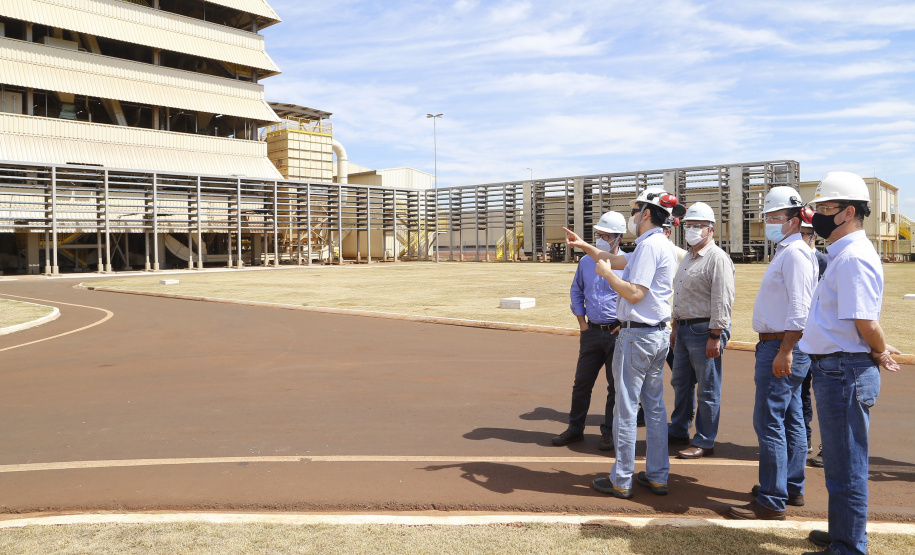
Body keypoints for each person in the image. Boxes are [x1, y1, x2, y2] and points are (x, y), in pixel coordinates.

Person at [799, 172, 900, 555]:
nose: (818, 216)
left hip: (845, 368)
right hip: (837, 367)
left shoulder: (854, 258)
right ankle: (844, 532)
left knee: (847, 465)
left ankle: (850, 545)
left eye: (825, 208)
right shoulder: (844, 255)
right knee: (840, 462)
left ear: (849, 212)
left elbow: (865, 322)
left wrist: (879, 350)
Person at [563, 187, 678, 499]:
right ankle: (656, 475)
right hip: (656, 335)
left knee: (626, 410)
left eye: (635, 210)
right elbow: (613, 259)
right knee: (654, 409)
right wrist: (584, 245)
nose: (632, 215)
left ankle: (621, 479)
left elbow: (634, 292)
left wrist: (606, 275)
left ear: (645, 214)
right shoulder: (656, 244)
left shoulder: (650, 247)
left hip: (637, 336)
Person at [727, 187, 818, 520]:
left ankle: (771, 498)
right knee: (791, 418)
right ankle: (789, 487)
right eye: (767, 217)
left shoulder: (793, 254)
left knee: (769, 420)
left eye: (775, 217)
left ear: (794, 220)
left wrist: (785, 350)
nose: (768, 222)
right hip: (784, 343)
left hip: (781, 345)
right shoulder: (792, 251)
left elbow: (800, 307)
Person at [551, 211, 626, 451]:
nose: (602, 238)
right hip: (592, 331)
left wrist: (624, 323)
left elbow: (636, 295)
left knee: (614, 386)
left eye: (607, 235)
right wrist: (582, 323)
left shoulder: (628, 262)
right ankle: (575, 428)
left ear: (619, 238)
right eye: (599, 234)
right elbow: (577, 291)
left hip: (618, 332)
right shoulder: (585, 262)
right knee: (582, 383)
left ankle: (608, 432)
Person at [668, 202, 736, 458]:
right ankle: (678, 429)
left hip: (704, 330)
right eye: (689, 225)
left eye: (698, 226)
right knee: (680, 383)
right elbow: (680, 295)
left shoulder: (717, 258)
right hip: (684, 329)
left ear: (711, 229)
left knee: (707, 388)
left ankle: (705, 440)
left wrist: (716, 335)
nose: (693, 230)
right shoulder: (688, 256)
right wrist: (675, 326)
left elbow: (723, 299)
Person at [800, 218, 828, 466]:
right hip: (801, 336)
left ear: (815, 236)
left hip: (818, 337)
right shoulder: (794, 256)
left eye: (807, 233)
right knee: (801, 391)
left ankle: (827, 445)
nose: (802, 236)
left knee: (822, 392)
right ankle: (805, 439)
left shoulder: (822, 261)